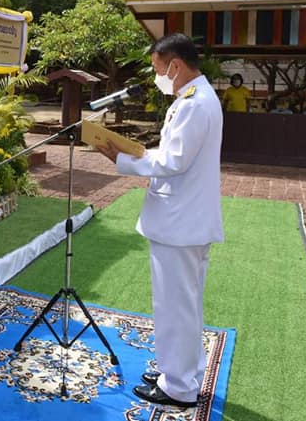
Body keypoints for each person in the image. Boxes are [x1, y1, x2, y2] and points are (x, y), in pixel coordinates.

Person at [94, 33, 223, 409]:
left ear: (175, 65)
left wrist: (120, 159)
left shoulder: (196, 104)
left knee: (175, 306)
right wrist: (134, 152)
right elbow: (172, 155)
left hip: (180, 223)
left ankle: (179, 387)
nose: (157, 78)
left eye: (157, 70)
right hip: (183, 219)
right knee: (184, 304)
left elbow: (172, 162)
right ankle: (182, 370)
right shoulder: (193, 99)